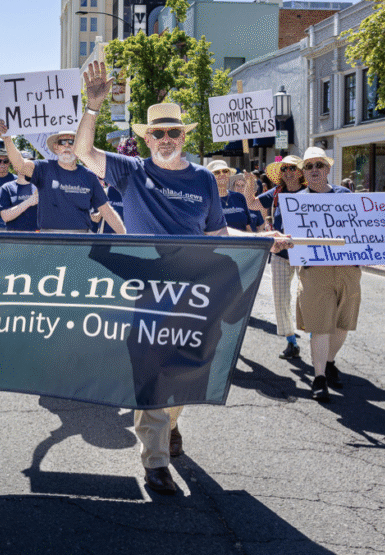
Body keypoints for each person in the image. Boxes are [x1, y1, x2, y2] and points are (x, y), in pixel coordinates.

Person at [74, 60, 289, 495]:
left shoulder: (205, 180)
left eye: (174, 132)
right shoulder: (130, 171)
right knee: (152, 373)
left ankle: (170, 423)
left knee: (187, 370)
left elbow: (216, 232)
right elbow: (83, 154)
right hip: (147, 290)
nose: (167, 139)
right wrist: (92, 109)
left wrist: (262, 238)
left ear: (184, 137)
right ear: (146, 139)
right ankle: (154, 462)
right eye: (159, 133)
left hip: (194, 290)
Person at [294, 146, 360, 403]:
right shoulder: (296, 202)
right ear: (304, 173)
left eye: (319, 165)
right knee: (320, 325)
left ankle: (330, 361)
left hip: (347, 268)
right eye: (308, 166)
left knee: (343, 323)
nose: (314, 171)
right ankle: (319, 377)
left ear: (328, 169)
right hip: (314, 270)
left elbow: (362, 228)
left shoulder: (346, 195)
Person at [0, 121, 124, 234]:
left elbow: (107, 211)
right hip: (50, 240)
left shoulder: (89, 176)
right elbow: (20, 165)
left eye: (72, 142)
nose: (67, 145)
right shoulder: (43, 169)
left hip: (82, 241)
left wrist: (125, 237)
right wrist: (7, 139)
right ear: (56, 148)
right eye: (62, 142)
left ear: (78, 147)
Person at [257, 155, 306, 360]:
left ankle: (315, 338)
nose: (288, 172)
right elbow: (254, 204)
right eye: (284, 169)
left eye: (292, 168)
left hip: (306, 253)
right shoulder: (276, 192)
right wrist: (250, 184)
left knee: (307, 298)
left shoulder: (311, 192)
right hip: (280, 253)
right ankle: (291, 341)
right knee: (280, 299)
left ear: (300, 171)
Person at [208, 160, 255, 232]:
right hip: (219, 243)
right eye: (217, 172)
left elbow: (247, 226)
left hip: (242, 242)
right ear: (210, 177)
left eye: (225, 171)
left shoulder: (239, 197)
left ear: (229, 174)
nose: (222, 174)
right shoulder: (207, 200)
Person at [0, 164, 38, 232]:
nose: (27, 167)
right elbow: (5, 217)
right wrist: (29, 202)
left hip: (37, 236)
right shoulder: (7, 188)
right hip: (14, 237)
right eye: (24, 164)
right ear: (16, 167)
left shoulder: (40, 186)